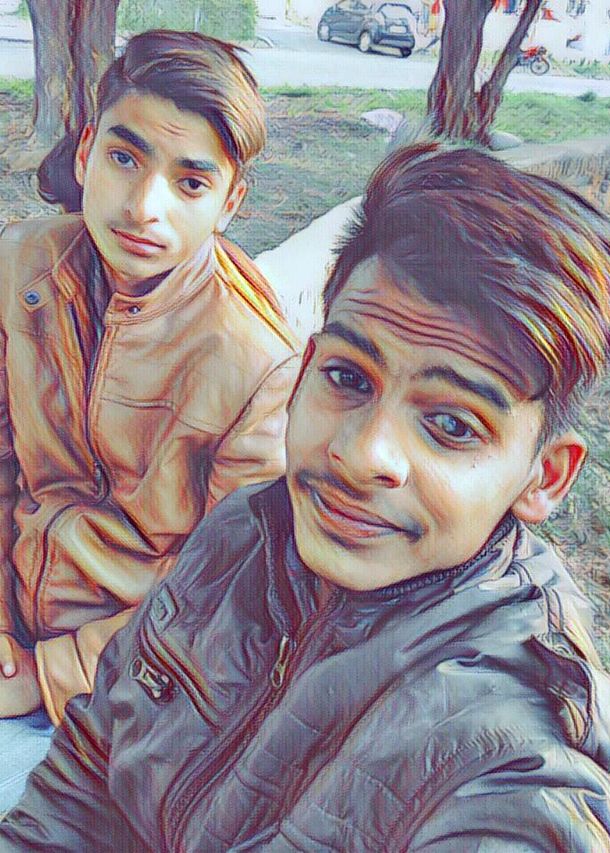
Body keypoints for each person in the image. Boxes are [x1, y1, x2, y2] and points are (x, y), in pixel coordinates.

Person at [1, 143, 610, 850]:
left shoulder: (517, 761)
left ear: (544, 476)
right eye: (349, 378)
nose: (361, 455)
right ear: (306, 367)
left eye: (453, 425)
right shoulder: (244, 532)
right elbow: (88, 766)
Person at [0, 29, 298, 811]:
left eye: (190, 182)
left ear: (230, 203)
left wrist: (44, 674)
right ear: (86, 151)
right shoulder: (24, 265)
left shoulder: (257, 365)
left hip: (129, 691)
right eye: (125, 158)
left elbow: (224, 598)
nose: (142, 207)